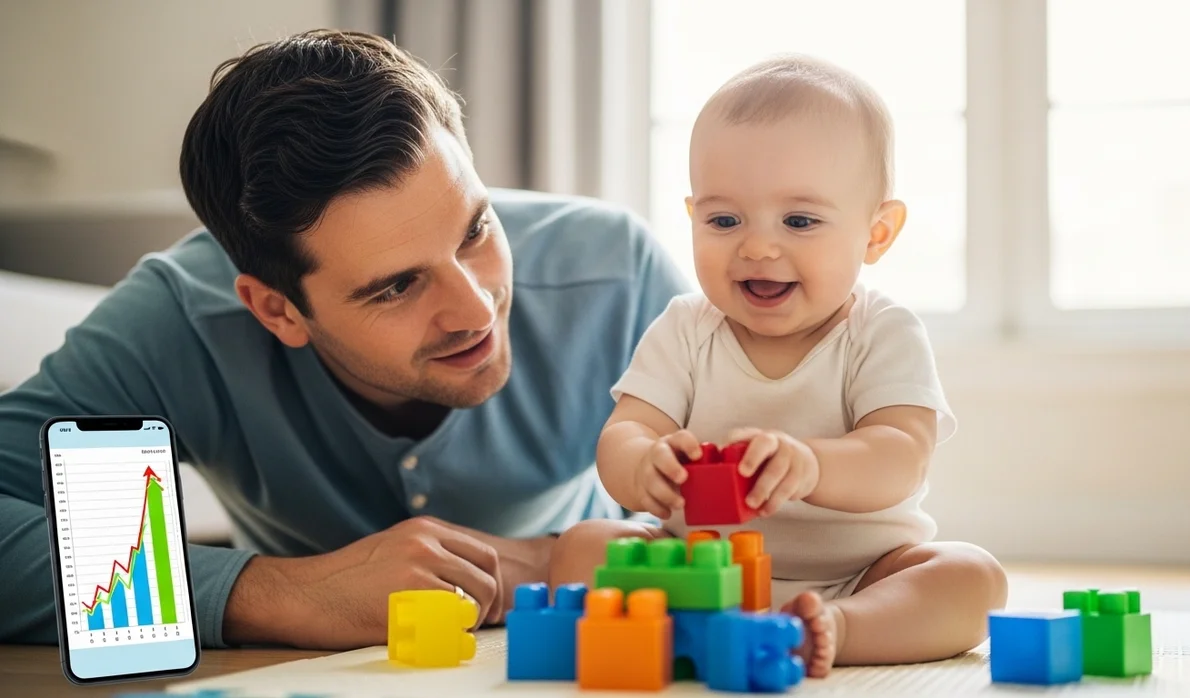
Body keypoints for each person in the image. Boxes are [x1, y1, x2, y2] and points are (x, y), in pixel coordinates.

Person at [0, 30, 688, 649]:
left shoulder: (615, 276)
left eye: (476, 230)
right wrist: (287, 596)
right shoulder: (178, 324)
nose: (474, 309)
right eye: (396, 287)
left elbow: (767, 515)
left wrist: (541, 565)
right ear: (278, 312)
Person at [548, 55, 1008, 676]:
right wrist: (643, 466)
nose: (758, 246)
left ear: (877, 233)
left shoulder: (881, 331)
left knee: (972, 578)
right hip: (695, 572)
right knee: (585, 546)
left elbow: (901, 455)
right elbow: (624, 435)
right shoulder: (685, 328)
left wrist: (811, 464)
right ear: (692, 217)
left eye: (799, 221)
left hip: (857, 575)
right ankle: (693, 629)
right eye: (724, 219)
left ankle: (835, 630)